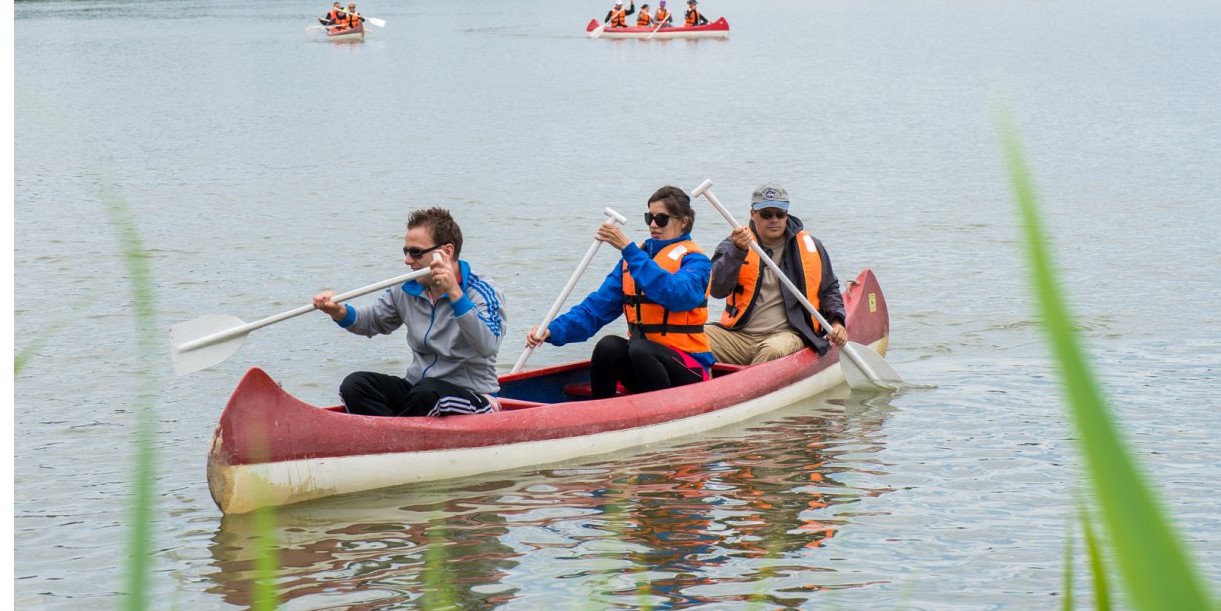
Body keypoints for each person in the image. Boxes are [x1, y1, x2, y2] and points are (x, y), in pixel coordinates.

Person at [313, 207, 507, 416]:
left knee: (427, 393)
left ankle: (396, 438)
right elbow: (372, 321)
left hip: (473, 396)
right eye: (405, 251)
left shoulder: (482, 290)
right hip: (419, 390)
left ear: (447, 252)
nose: (407, 260)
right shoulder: (406, 288)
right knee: (354, 385)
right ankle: (390, 439)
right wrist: (337, 311)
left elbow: (488, 345)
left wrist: (454, 294)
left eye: (416, 252)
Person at [525, 185, 713, 397]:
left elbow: (676, 295)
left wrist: (629, 250)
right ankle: (601, 413)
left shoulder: (696, 261)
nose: (653, 225)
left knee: (641, 350)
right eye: (649, 218)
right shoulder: (633, 261)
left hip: (689, 368)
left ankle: (662, 416)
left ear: (683, 222)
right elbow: (595, 309)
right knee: (609, 346)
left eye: (661, 219)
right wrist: (552, 330)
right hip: (643, 366)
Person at [705, 183, 848, 365]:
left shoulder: (811, 246)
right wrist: (737, 251)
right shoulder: (732, 245)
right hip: (739, 335)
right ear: (753, 214)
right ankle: (698, 387)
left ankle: (750, 390)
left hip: (787, 335)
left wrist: (837, 322)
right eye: (766, 214)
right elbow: (717, 290)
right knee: (693, 338)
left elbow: (829, 289)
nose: (774, 219)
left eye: (780, 214)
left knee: (771, 351)